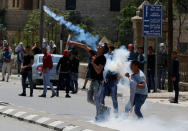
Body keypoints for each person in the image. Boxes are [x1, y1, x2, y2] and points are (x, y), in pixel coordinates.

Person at [68, 41, 109, 121]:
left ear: (103, 49)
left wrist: (93, 63)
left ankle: (98, 117)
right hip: (93, 81)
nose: (99, 46)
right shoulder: (94, 54)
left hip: (98, 82)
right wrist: (73, 43)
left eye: (101, 46)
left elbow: (98, 71)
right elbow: (84, 46)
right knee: (89, 99)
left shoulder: (102, 58)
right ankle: (104, 108)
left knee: (96, 98)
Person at [100, 46, 119, 117]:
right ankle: (102, 113)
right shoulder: (105, 56)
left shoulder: (116, 57)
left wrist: (114, 54)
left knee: (114, 98)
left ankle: (116, 115)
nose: (111, 51)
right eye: (110, 50)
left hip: (113, 80)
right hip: (105, 81)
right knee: (101, 98)